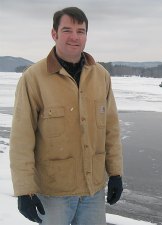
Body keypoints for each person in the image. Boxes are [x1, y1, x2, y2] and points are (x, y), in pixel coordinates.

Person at [9, 7, 123, 225]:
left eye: (81, 31)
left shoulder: (101, 77)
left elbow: (111, 130)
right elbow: (22, 139)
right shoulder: (33, 79)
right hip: (54, 194)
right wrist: (24, 191)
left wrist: (115, 173)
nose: (74, 37)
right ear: (54, 34)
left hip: (93, 191)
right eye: (67, 30)